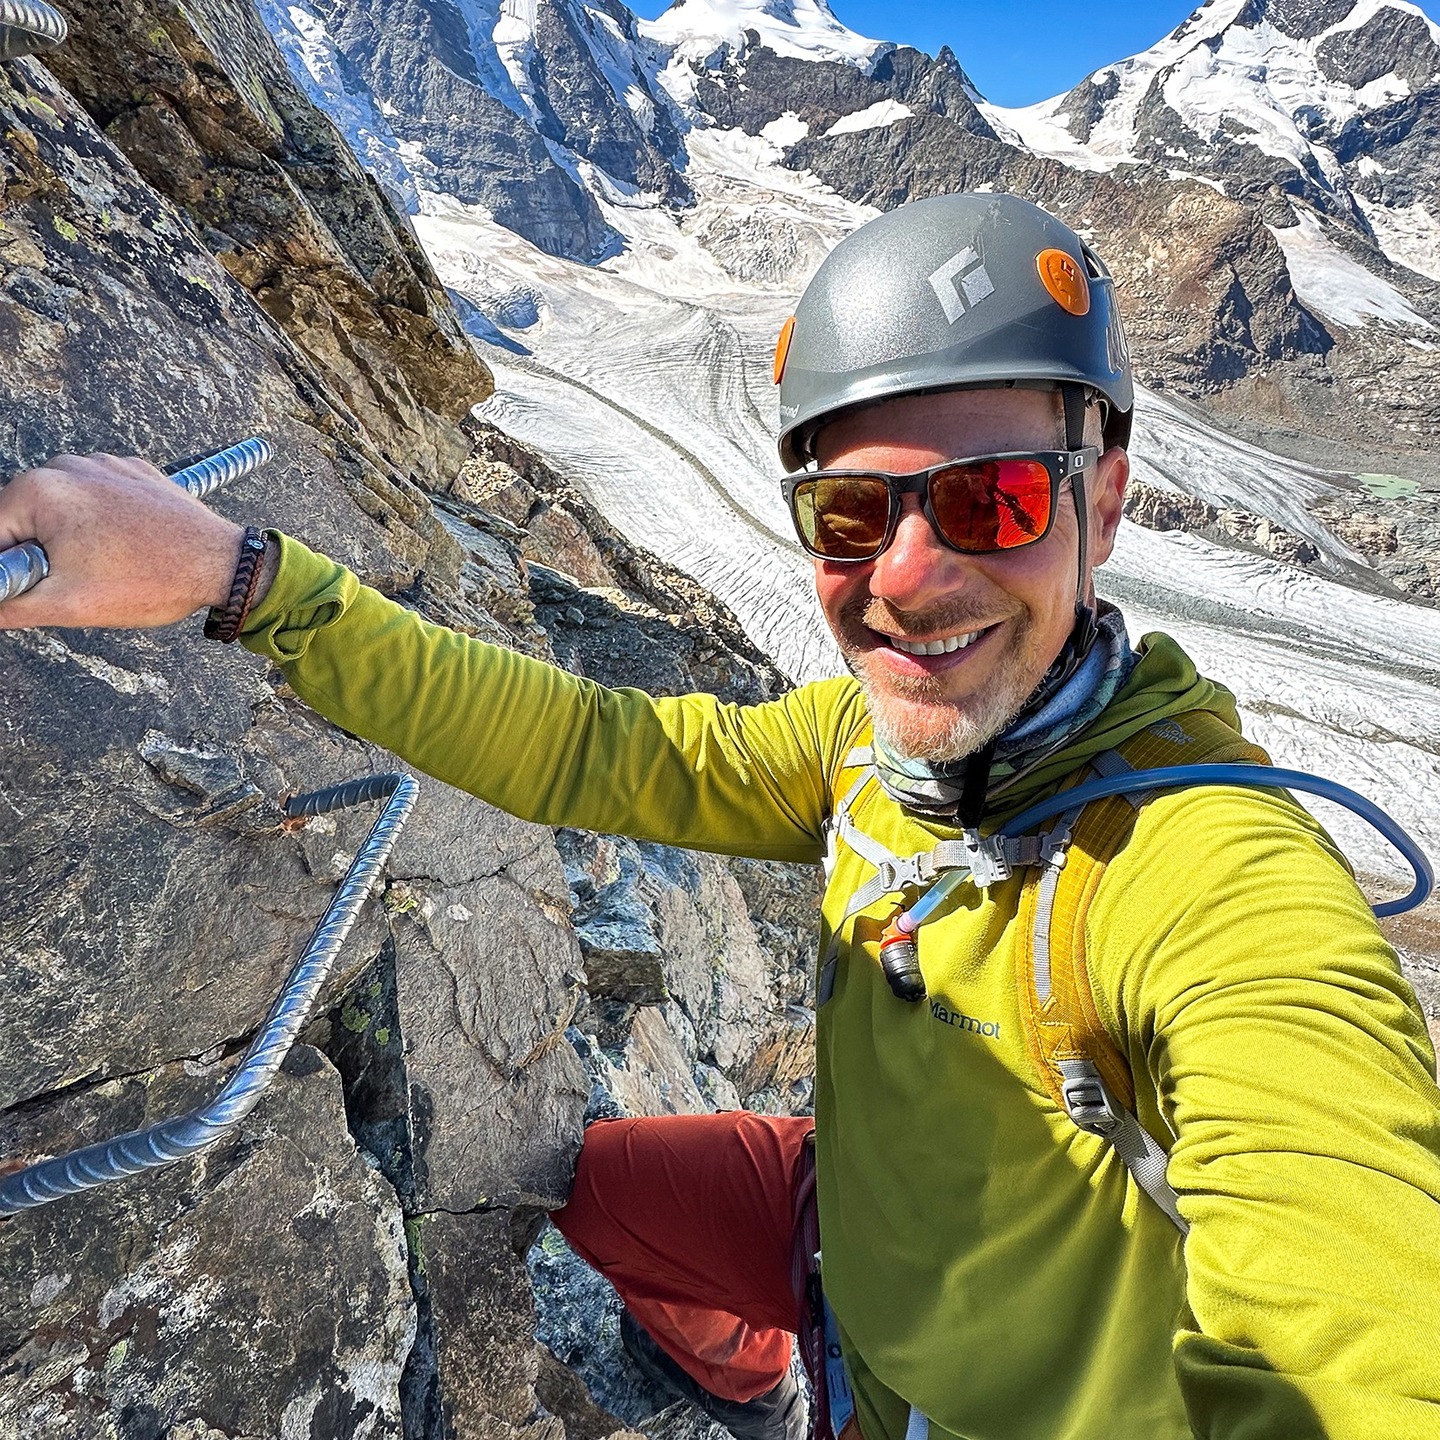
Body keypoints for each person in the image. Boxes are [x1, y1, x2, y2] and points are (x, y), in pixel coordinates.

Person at [2, 194, 1438, 1440]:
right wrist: (241, 579)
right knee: (600, 1192)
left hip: (975, 1395)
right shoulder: (861, 749)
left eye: (994, 500)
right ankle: (757, 1381)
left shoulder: (1209, 882)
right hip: (848, 1236)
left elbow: (1357, 1316)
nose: (913, 577)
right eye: (852, 516)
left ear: (1104, 503)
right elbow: (591, 744)